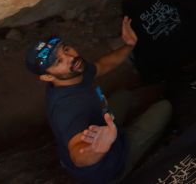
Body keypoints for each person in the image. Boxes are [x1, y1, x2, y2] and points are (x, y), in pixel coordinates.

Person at [25, 16, 172, 183]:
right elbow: (78, 155)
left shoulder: (73, 72)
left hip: (100, 118)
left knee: (125, 95)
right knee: (165, 108)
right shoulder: (68, 109)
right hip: (110, 167)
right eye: (59, 61)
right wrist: (97, 149)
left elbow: (102, 66)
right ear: (47, 77)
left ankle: (114, 131)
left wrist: (129, 45)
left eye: (66, 49)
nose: (70, 57)